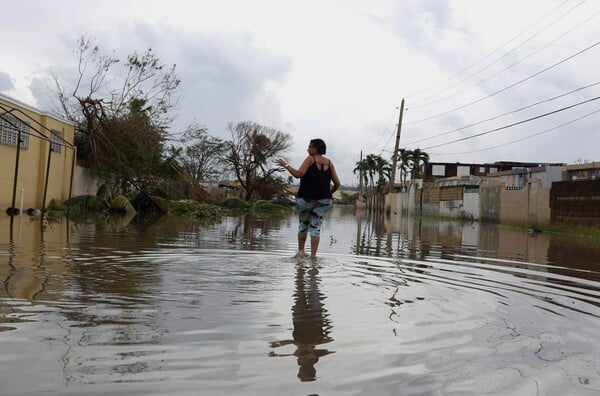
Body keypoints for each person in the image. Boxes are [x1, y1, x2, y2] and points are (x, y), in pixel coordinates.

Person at [276, 138, 341, 259]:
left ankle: (301, 252)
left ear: (316, 149)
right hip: (324, 201)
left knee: (303, 226)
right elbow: (337, 183)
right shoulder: (330, 163)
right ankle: (313, 257)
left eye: (310, 147)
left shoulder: (310, 159)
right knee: (315, 228)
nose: (308, 149)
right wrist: (328, 193)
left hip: (306, 200)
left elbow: (298, 174)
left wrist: (286, 165)